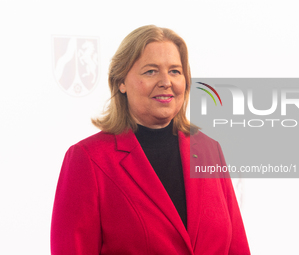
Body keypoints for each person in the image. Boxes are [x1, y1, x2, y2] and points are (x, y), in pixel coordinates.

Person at [51, 25, 250, 255]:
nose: (166, 81)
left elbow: (237, 248)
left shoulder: (209, 151)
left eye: (175, 71)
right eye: (151, 71)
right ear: (121, 82)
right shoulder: (88, 159)